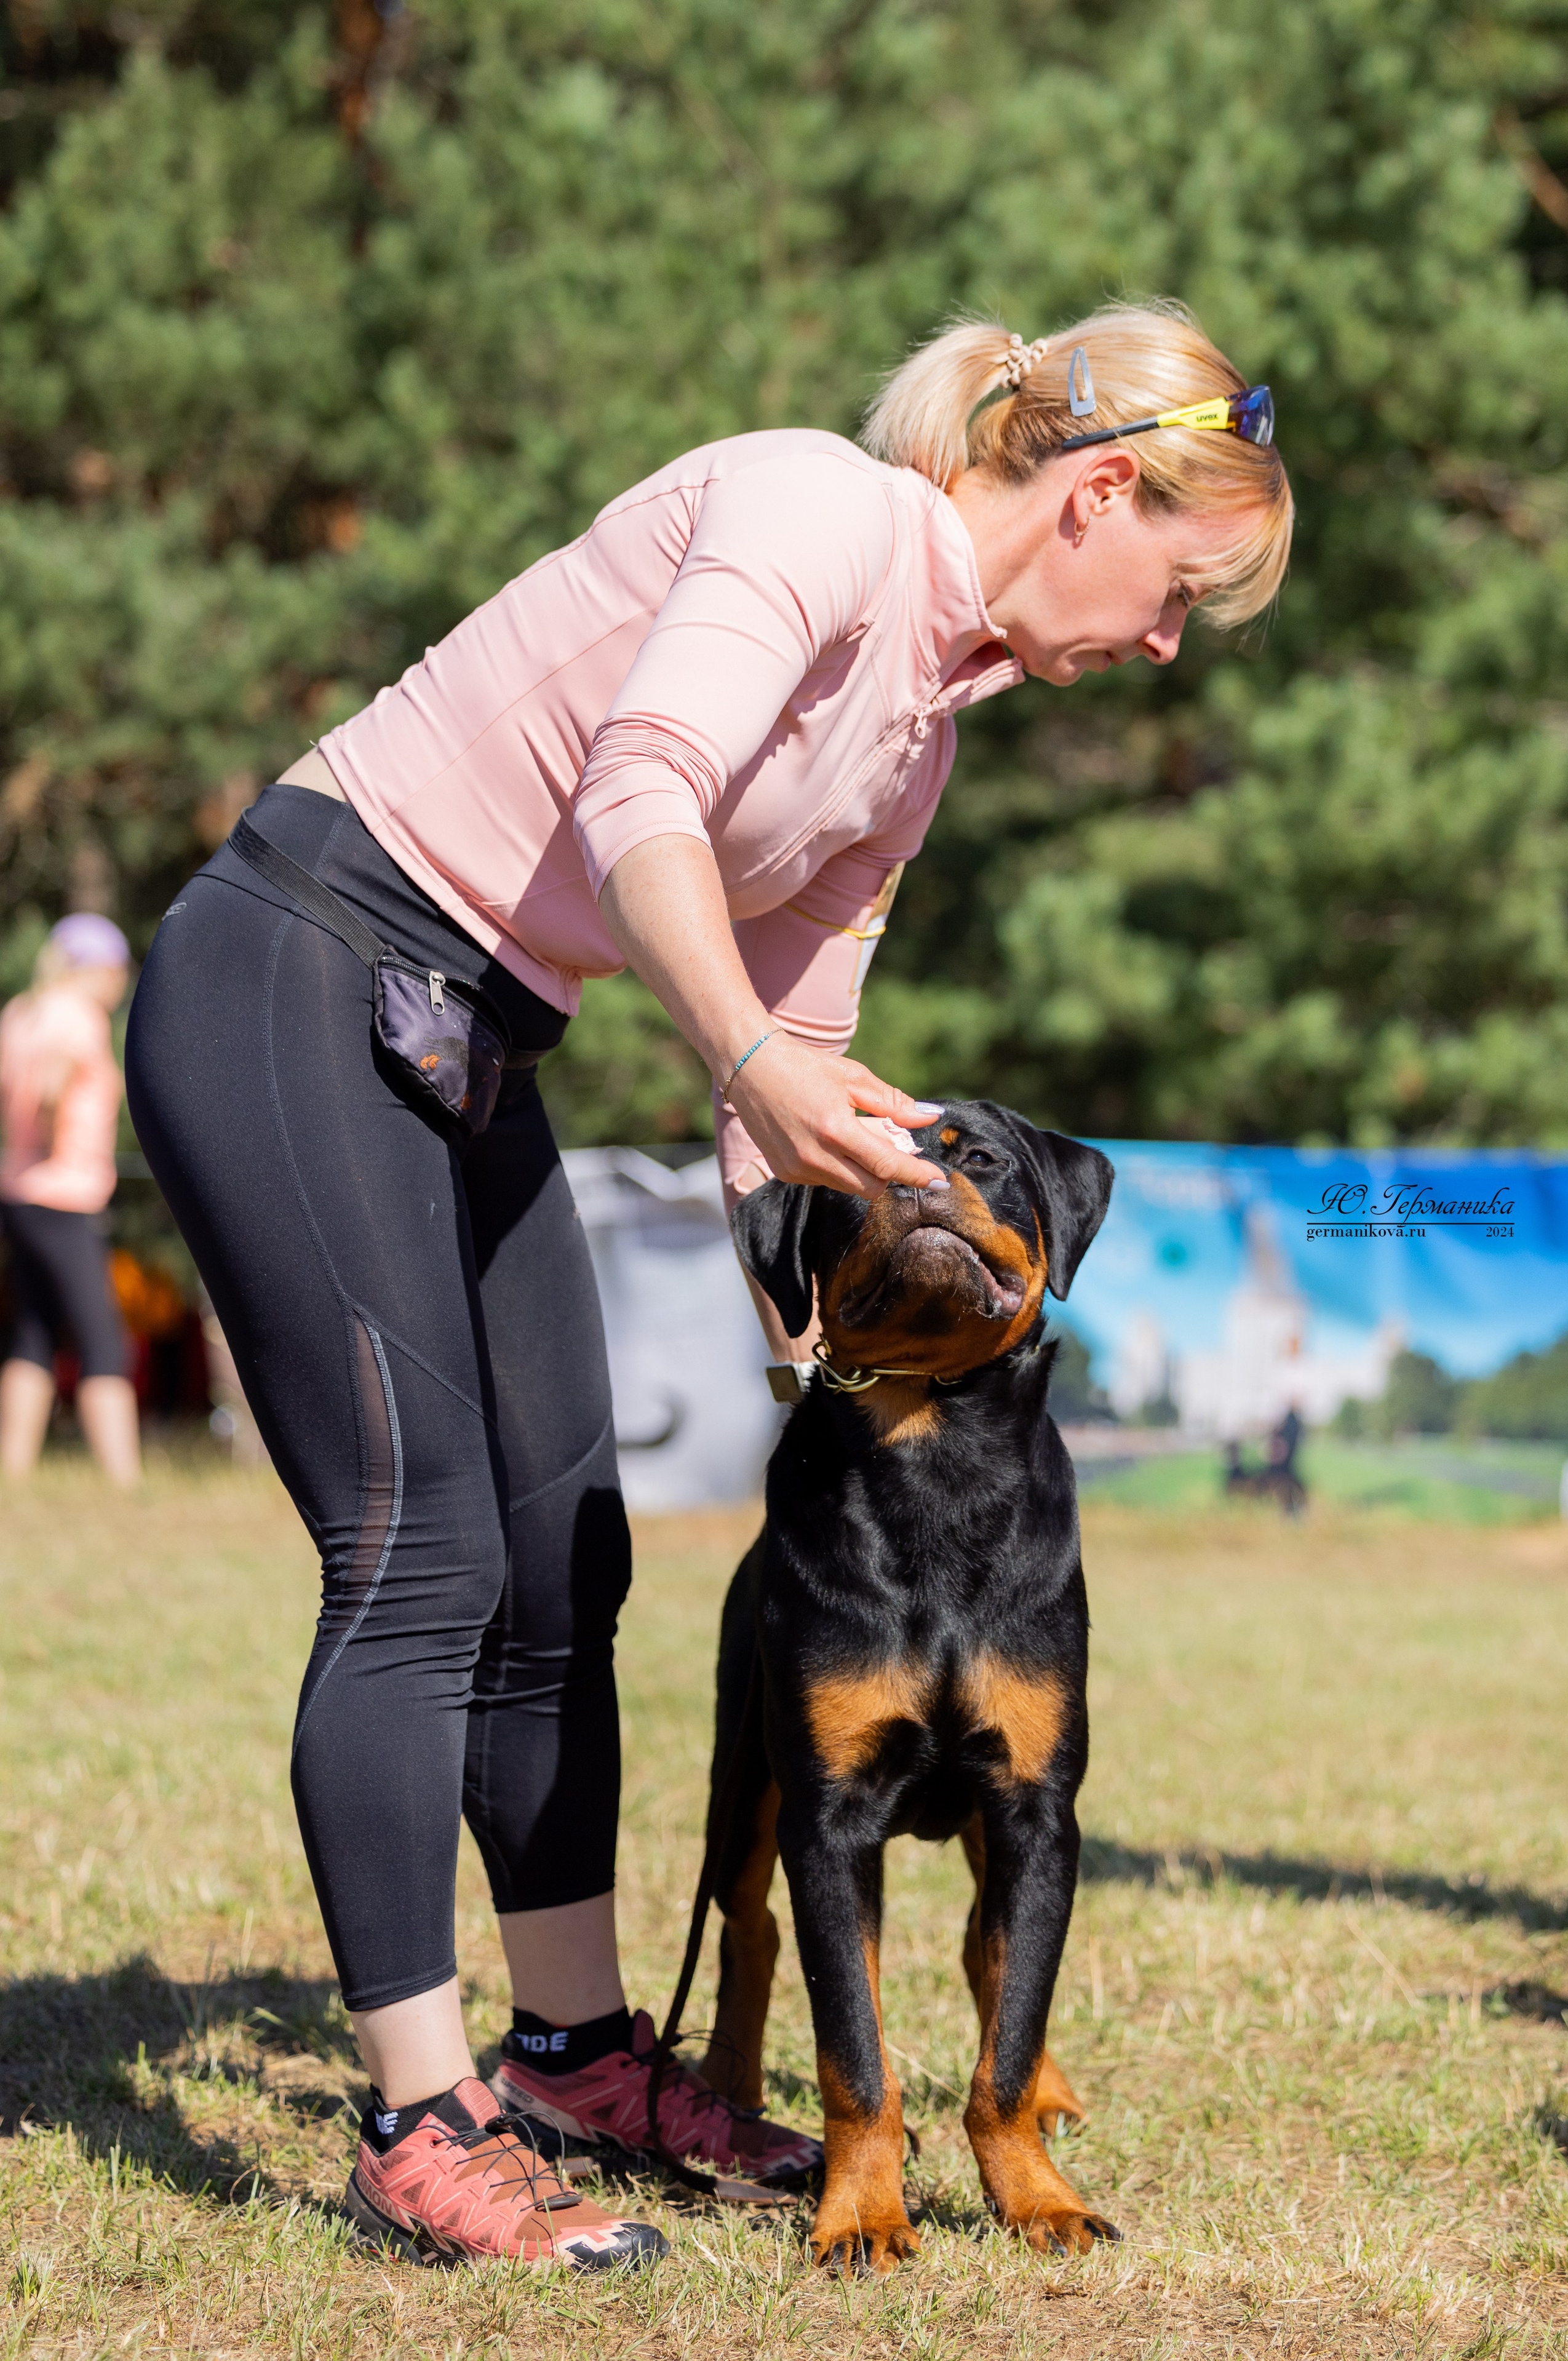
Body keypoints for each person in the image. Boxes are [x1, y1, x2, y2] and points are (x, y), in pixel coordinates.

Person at [125, 301, 1292, 2269]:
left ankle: (575, 2047)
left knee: (568, 1550)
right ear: (1098, 495)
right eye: (1179, 592)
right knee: (420, 1561)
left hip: (479, 1027)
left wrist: (834, 1282)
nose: (1167, 644)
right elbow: (639, 796)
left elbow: (811, 1053)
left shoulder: (922, 718)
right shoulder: (817, 510)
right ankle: (420, 2121)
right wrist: (746, 1059)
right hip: (307, 958)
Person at [0, 913, 140, 1486]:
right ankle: (124, 1478)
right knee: (103, 1336)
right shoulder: (75, 1016)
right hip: (64, 1196)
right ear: (98, 970)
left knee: (33, 1329)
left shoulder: (21, 1013)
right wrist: (54, 1127)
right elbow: (57, 1081)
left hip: (19, 1192)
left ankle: (13, 1469)